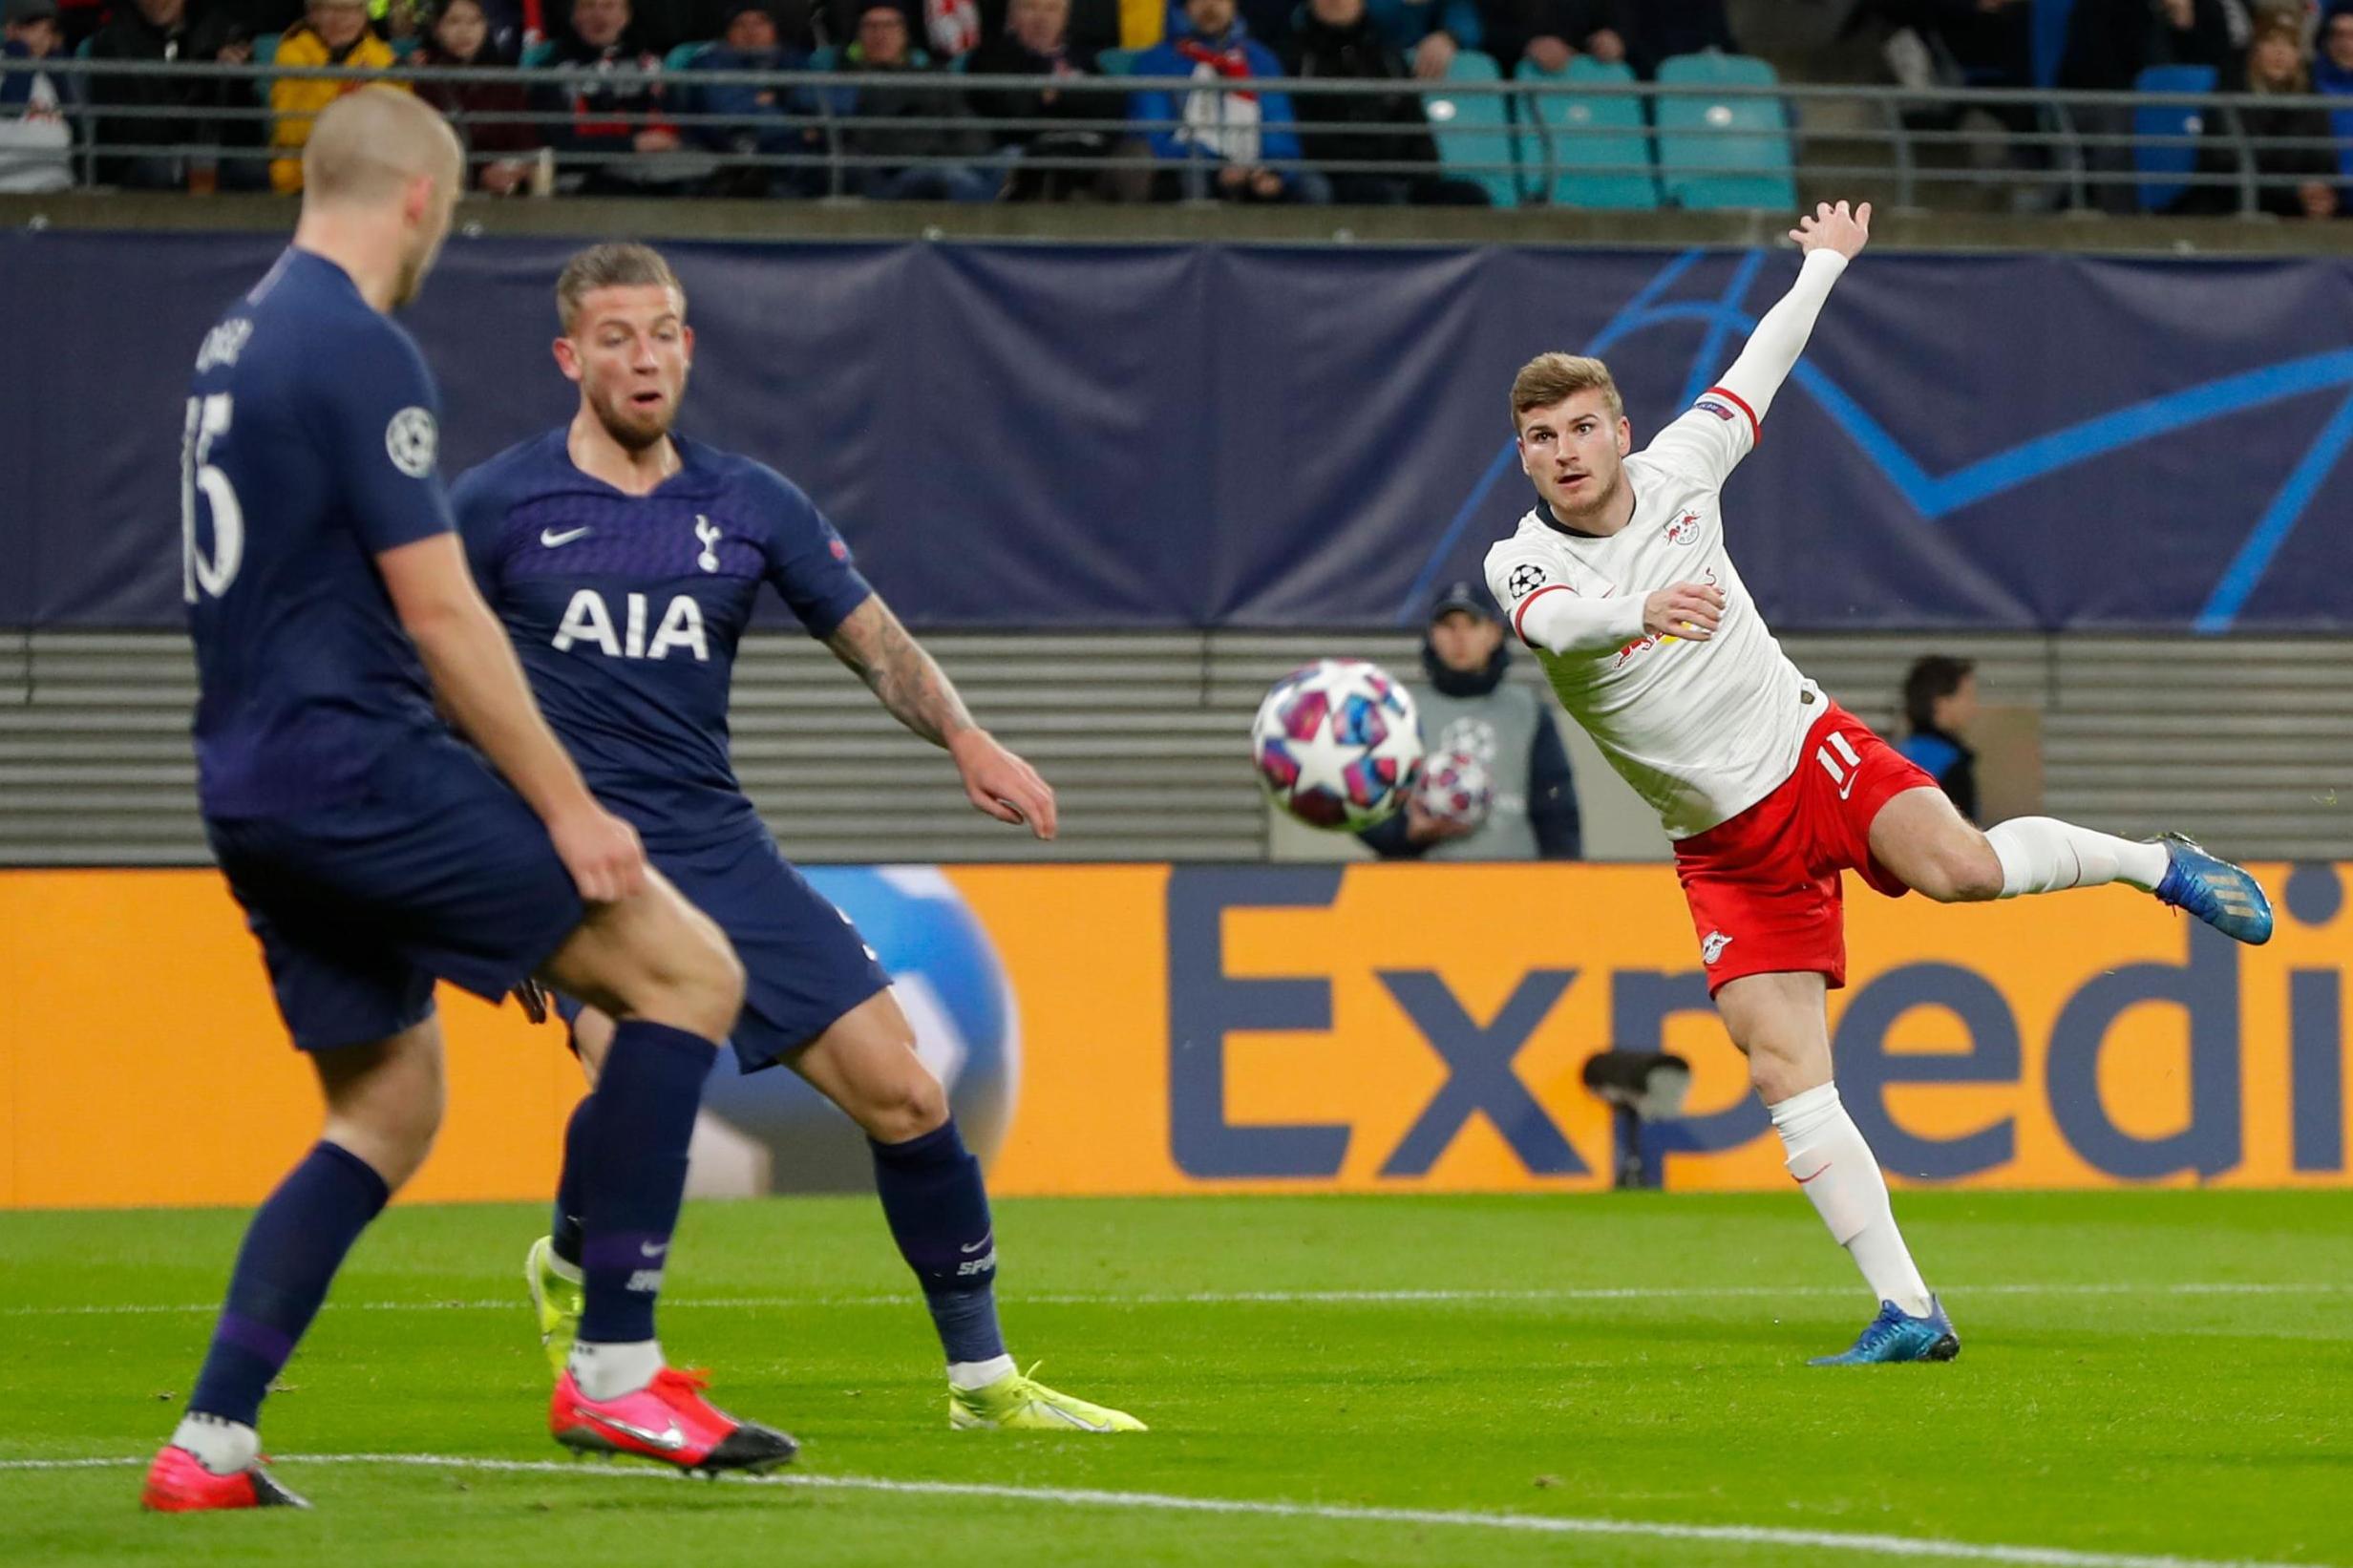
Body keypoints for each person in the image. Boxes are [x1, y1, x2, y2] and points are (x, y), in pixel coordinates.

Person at [142, 89, 795, 1514]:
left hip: (245, 785)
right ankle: (617, 1372)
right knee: (690, 971)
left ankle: (213, 1437)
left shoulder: (232, 339)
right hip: (357, 767)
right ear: (423, 201)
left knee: (385, 1105)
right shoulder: (358, 345)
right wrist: (570, 807)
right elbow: (441, 612)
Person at [1483, 200, 2275, 1367]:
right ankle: (1911, 1310)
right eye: (1543, 435)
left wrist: (1822, 268)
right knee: (1781, 1068)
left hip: (1808, 752)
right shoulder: (1523, 557)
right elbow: (1556, 629)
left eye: (1583, 426)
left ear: (1618, 429)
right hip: (1718, 841)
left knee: (1958, 868)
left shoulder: (1683, 467)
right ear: (1526, 454)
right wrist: (1635, 610)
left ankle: (2158, 863)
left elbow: (1759, 365)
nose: (1565, 449)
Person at [451, 243, 1144, 1436]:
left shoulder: (749, 501)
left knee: (908, 1093)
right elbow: (420, 674)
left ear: (689, 346)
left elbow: (873, 642)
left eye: (663, 329)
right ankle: (612, 1362)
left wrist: (968, 738)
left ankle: (983, 1383)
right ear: (570, 357)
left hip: (722, 850)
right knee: (633, 1070)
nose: (644, 353)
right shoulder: (497, 506)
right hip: (582, 859)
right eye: (615, 335)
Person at [1359, 581, 1579, 859]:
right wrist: (1406, 834)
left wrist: (1565, 883)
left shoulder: (1527, 710)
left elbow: (1558, 813)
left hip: (1515, 888)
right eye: (1448, 626)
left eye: (1472, 624)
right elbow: (1363, 806)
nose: (1459, 637)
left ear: (1493, 634)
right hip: (1423, 890)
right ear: (1432, 636)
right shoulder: (1400, 712)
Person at [1282, 0, 1489, 204]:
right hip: (1339, 178)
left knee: (1469, 197)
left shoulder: (1386, 55)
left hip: (1397, 176)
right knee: (1381, 196)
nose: (1339, 2)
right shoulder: (1295, 59)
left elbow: (1416, 128)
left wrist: (1421, 173)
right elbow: (1300, 133)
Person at [1129, 0, 1326, 201]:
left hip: (1254, 169)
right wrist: (1217, 166)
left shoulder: (1261, 60)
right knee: (1191, 177)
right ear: (1184, 6)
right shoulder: (1156, 62)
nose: (1210, 6)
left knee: (1312, 188)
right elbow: (1152, 135)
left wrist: (1274, 171)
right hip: (1189, 167)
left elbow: (1278, 126)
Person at [829, 0, 998, 201]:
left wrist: (958, 154)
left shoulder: (932, 77)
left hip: (950, 158)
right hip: (895, 174)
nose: (881, 34)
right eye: (871, 27)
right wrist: (933, 154)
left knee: (1013, 158)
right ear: (859, 34)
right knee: (953, 177)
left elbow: (965, 125)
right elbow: (864, 142)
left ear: (904, 33)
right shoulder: (846, 82)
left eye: (889, 26)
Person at [85, 0, 262, 188]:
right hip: (140, 157)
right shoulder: (112, 42)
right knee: (163, 170)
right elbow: (124, 129)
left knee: (251, 169)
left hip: (209, 149)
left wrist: (236, 81)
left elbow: (244, 127)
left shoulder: (216, 32)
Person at [2175, 16, 2339, 217]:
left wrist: (2320, 195)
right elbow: (2223, 167)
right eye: (2271, 42)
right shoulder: (2228, 94)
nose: (2280, 53)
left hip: (2294, 211)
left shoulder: (2313, 100)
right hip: (2229, 209)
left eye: (2290, 45)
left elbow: (2325, 162)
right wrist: (2293, 191)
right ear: (2255, 50)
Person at [269, 0, 408, 193]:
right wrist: (345, 97)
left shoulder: (382, 56)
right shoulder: (293, 52)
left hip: (367, 176)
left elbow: (397, 126)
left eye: (353, 10)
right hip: (303, 175)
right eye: (333, 9)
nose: (343, 19)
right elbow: (292, 130)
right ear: (313, 13)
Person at [409, 0, 541, 195]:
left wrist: (514, 170)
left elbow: (526, 142)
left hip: (502, 199)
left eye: (474, 21)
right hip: (442, 194)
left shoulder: (505, 80)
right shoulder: (424, 80)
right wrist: (479, 174)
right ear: (437, 28)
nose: (465, 31)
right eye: (454, 22)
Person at [1893, 654, 1977, 823]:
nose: (1973, 706)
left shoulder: (1897, 754)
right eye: (1966, 696)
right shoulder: (1951, 765)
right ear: (1941, 703)